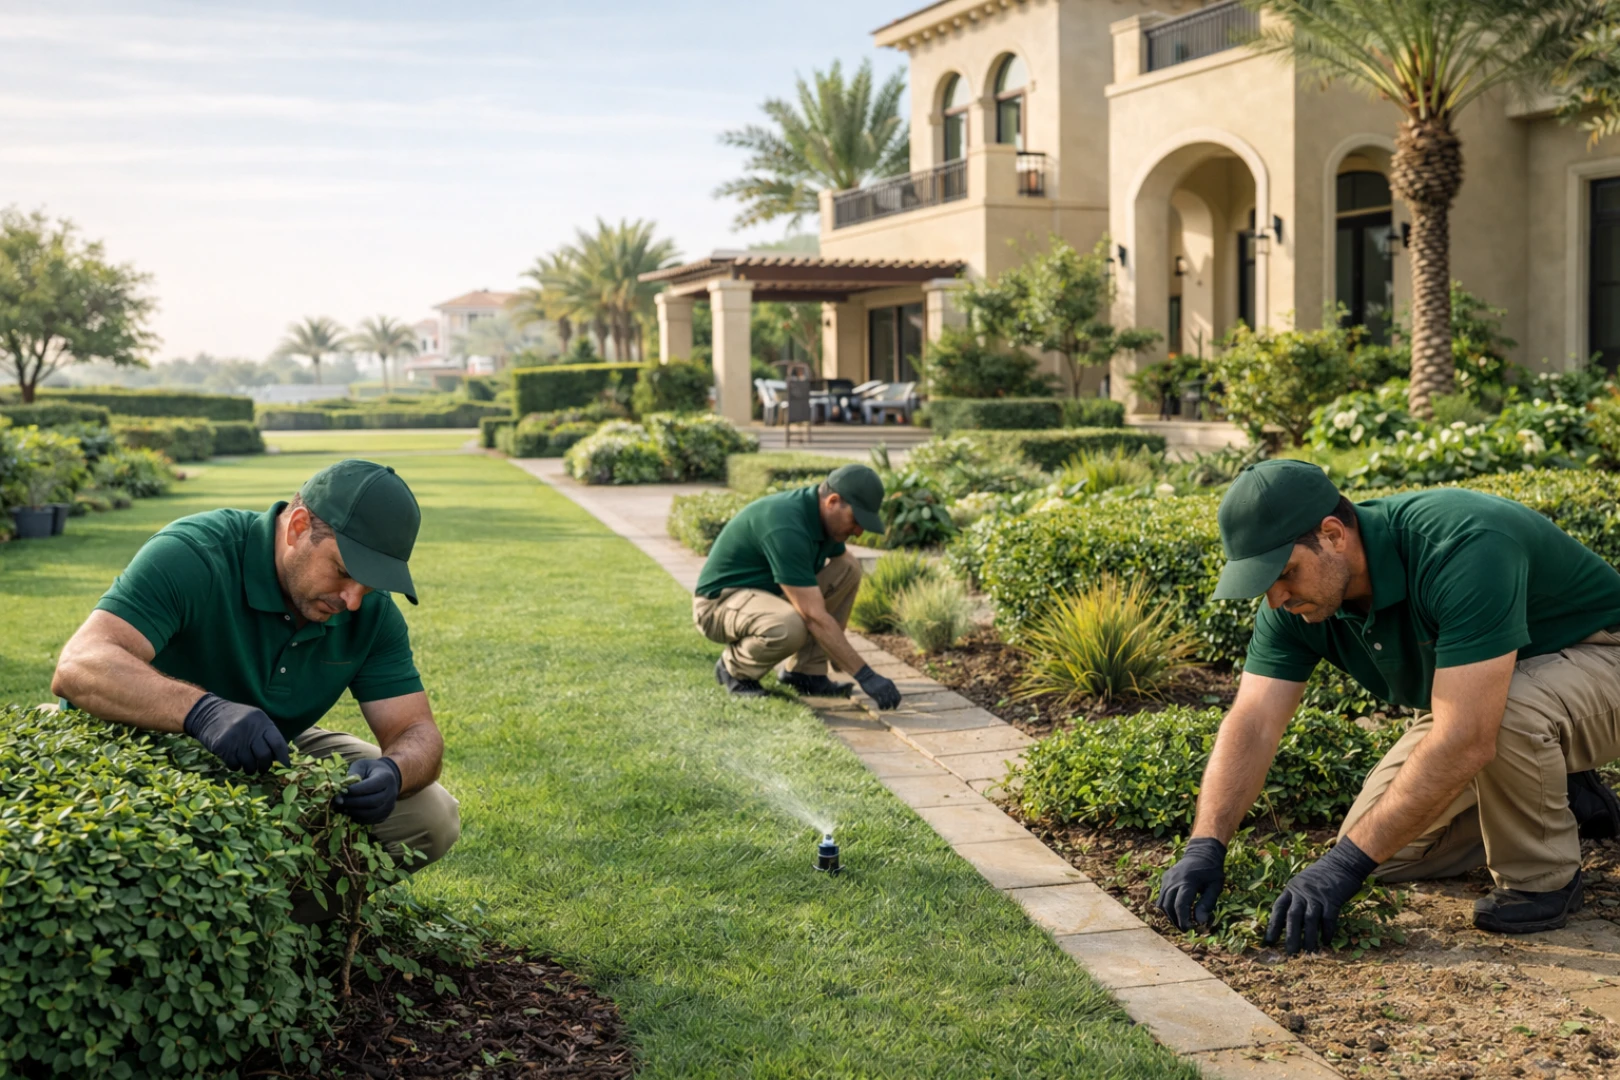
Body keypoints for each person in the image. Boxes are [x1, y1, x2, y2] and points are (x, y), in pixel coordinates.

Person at [1156, 459, 1620, 952]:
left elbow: (1465, 735)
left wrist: (1344, 868)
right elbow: (1254, 721)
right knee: (1386, 850)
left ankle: (1542, 879)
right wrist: (1206, 844)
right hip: (1491, 689)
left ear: (1333, 534)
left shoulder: (1460, 544)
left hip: (1603, 653)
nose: (1276, 597)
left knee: (1498, 719)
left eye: (1284, 573)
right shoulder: (1294, 602)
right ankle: (1562, 793)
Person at [52, 458, 460, 910]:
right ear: (298, 527)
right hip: (137, 743)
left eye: (370, 583)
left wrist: (395, 770)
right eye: (344, 571)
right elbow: (80, 665)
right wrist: (203, 711)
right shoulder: (196, 553)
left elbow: (417, 732)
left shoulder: (370, 612)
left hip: (268, 753)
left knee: (431, 816)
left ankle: (266, 927)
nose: (352, 600)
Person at [693, 463, 901, 709]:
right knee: (789, 625)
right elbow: (813, 616)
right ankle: (735, 669)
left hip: (763, 596)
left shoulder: (821, 518)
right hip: (719, 604)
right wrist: (865, 675)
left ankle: (806, 673)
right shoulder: (786, 524)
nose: (858, 531)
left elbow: (839, 572)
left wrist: (839, 652)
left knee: (848, 568)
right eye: (856, 520)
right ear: (832, 501)